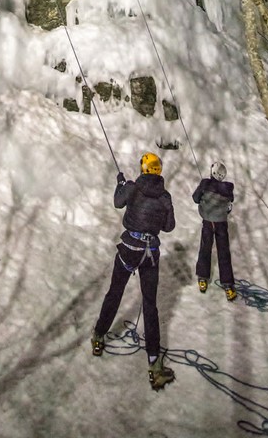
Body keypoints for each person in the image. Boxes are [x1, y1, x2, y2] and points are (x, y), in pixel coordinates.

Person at [91, 152, 176, 390]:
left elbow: (118, 202)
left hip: (129, 249)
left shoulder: (132, 187)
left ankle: (99, 336)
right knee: (150, 305)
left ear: (143, 169)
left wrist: (121, 184)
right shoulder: (165, 196)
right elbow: (169, 227)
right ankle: (154, 366)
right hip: (150, 254)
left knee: (115, 293)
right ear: (158, 171)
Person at [192, 161, 236, 301]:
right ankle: (228, 286)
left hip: (208, 222)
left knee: (205, 248)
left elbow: (195, 198)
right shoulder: (228, 189)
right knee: (224, 252)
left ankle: (203, 279)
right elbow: (230, 205)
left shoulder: (205, 184)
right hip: (222, 223)